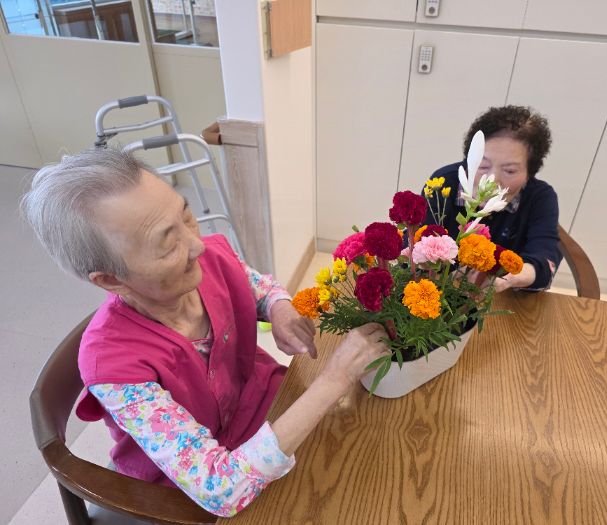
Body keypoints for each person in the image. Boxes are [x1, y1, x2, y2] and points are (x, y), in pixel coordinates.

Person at [21, 148, 388, 517]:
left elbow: (257, 285)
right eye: (168, 244)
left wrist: (278, 307)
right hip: (191, 489)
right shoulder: (114, 367)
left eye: (186, 217)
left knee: (365, 451)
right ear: (111, 279)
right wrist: (334, 378)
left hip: (262, 405)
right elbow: (221, 489)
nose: (197, 245)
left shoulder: (210, 256)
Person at [425, 105, 562, 292]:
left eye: (509, 171)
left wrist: (508, 277)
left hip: (502, 298)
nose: (492, 179)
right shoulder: (444, 184)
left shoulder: (540, 198)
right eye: (482, 166)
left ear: (529, 173)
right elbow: (416, 246)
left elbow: (544, 262)